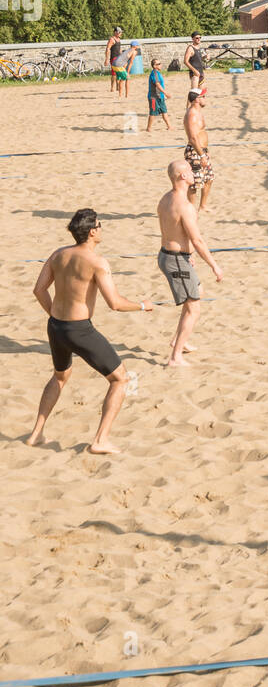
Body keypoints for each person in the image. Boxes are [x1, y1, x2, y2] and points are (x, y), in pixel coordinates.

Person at [28, 208, 153, 454]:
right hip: (80, 330)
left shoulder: (58, 254)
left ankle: (36, 434)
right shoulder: (97, 262)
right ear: (93, 231)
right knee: (120, 380)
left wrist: (56, 314)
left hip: (55, 326)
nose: (102, 228)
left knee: (60, 377)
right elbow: (115, 303)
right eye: (100, 224)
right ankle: (100, 440)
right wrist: (141, 305)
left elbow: (39, 290)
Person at [157, 160, 223, 366]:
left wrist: (187, 254)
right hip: (175, 260)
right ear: (183, 177)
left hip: (172, 256)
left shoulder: (165, 199)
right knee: (194, 307)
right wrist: (214, 265)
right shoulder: (184, 206)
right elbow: (197, 240)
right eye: (190, 170)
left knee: (197, 294)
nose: (194, 173)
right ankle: (175, 357)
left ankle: (178, 340)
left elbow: (171, 231)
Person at [183, 88, 214, 210]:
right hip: (195, 151)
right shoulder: (192, 115)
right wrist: (201, 155)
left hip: (202, 151)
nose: (205, 98)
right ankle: (190, 209)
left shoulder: (198, 112)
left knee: (209, 178)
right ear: (196, 99)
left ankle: (202, 206)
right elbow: (193, 137)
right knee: (194, 184)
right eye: (203, 96)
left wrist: (206, 152)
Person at [146, 57, 170, 131]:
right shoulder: (154, 73)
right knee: (153, 113)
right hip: (154, 97)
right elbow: (158, 85)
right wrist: (166, 93)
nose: (160, 65)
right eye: (158, 64)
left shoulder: (158, 73)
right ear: (154, 66)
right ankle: (149, 128)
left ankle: (169, 126)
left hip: (160, 96)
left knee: (164, 111)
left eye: (160, 63)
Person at [105, 26, 124, 93]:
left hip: (119, 58)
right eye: (119, 32)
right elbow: (107, 49)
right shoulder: (112, 39)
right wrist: (106, 59)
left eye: (121, 32)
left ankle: (117, 87)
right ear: (115, 32)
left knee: (119, 73)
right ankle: (112, 87)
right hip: (113, 58)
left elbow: (119, 49)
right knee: (114, 74)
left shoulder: (118, 39)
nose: (120, 33)